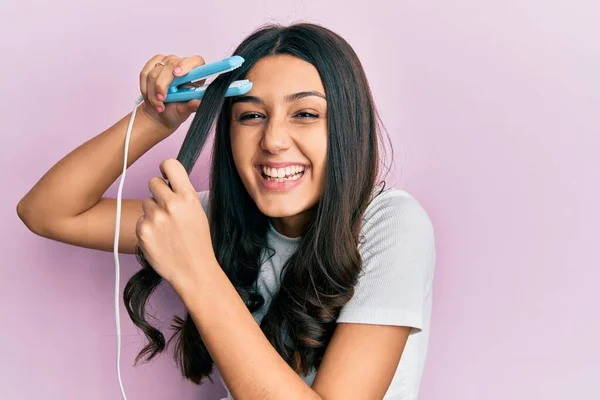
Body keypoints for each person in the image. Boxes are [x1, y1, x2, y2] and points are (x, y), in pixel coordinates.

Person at [16, 22, 436, 400]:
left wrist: (196, 269)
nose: (273, 140)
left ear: (348, 128)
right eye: (251, 115)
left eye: (305, 114)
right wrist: (154, 118)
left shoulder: (391, 223)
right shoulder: (215, 218)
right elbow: (48, 212)